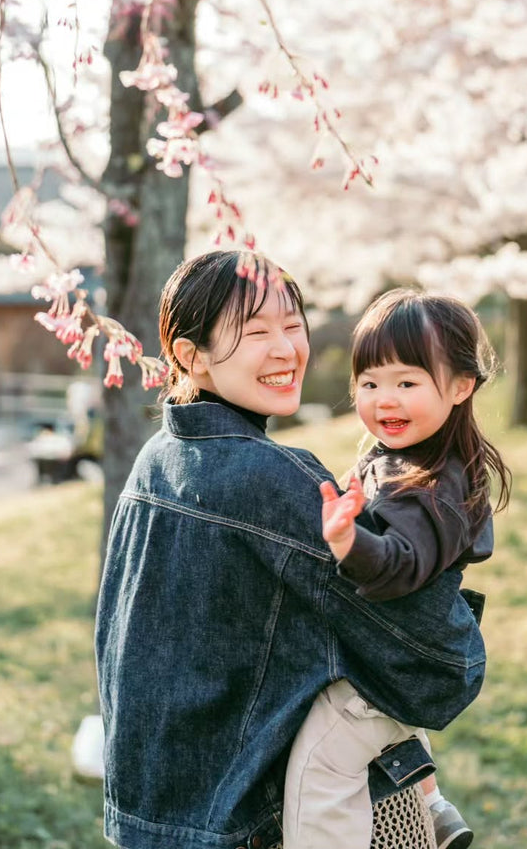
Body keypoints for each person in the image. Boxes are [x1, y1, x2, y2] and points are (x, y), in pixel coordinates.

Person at [95, 251, 488, 849]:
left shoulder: (155, 461)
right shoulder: (274, 480)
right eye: (256, 332)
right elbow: (438, 672)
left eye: (292, 324)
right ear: (188, 355)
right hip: (253, 820)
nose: (286, 349)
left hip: (150, 819)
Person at [283, 289, 511, 849]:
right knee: (388, 726)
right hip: (426, 653)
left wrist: (347, 541)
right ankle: (431, 802)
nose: (386, 399)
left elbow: (398, 566)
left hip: (407, 660)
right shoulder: (425, 462)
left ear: (460, 386)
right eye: (370, 383)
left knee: (321, 761)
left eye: (407, 383)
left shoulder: (427, 486)